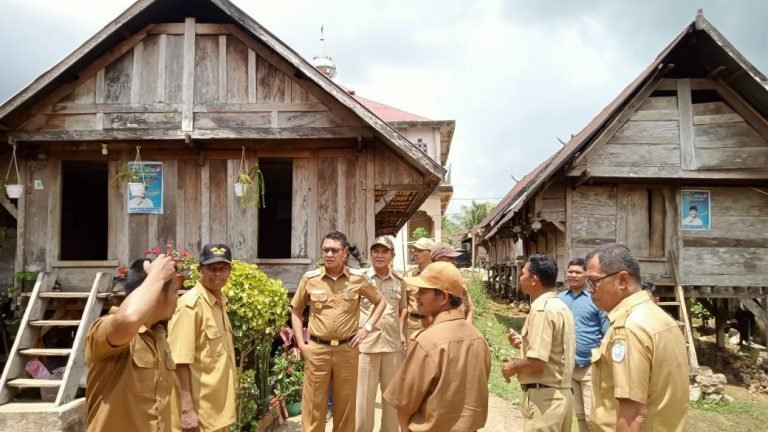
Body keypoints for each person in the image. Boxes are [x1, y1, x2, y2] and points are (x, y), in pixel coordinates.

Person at [290, 230, 387, 432]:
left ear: (345, 254)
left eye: (334, 250)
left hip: (347, 350)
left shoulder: (358, 278)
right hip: (317, 350)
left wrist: (367, 328)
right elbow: (296, 311)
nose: (329, 254)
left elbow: (381, 302)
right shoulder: (310, 279)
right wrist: (301, 343)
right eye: (325, 250)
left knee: (345, 406)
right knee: (313, 406)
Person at [585, 244, 689, 432]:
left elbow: (632, 413)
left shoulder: (628, 328)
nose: (590, 290)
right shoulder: (662, 318)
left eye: (593, 282)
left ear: (622, 280)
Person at [384, 261, 490, 431]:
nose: (416, 296)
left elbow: (404, 404)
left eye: (423, 291)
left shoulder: (427, 341)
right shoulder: (478, 338)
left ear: (443, 297)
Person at [85, 255, 179, 432]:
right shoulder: (109, 328)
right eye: (175, 292)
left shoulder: (158, 335)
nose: (177, 298)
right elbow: (129, 318)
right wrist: (157, 276)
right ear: (157, 295)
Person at [502, 254, 575, 432]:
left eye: (523, 273)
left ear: (534, 279)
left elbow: (537, 362)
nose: (520, 277)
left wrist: (512, 366)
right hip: (563, 395)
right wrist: (524, 343)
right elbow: (555, 350)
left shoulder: (541, 309)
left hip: (545, 400)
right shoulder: (560, 306)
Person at [168, 243, 237, 432]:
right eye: (212, 268)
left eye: (223, 268)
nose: (218, 274)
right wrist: (187, 411)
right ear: (200, 270)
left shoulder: (219, 303)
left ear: (230, 271)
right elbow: (178, 362)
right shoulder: (190, 306)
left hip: (217, 414)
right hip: (198, 417)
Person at [356, 236, 408, 432]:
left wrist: (401, 332)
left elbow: (403, 308)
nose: (380, 255)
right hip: (366, 347)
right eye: (376, 251)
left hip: (392, 347)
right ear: (370, 254)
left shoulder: (399, 281)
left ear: (392, 255)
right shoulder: (360, 279)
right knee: (364, 401)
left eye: (385, 251)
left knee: (392, 400)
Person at [558, 258, 608, 432]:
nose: (573, 275)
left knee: (591, 415)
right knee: (578, 413)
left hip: (590, 366)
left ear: (586, 275)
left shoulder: (595, 299)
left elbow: (607, 331)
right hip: (568, 366)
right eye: (570, 271)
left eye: (578, 272)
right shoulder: (559, 299)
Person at [431, 243, 475, 323]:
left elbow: (470, 308)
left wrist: (467, 327)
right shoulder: (427, 285)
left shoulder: (457, 280)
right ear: (439, 259)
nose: (455, 262)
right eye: (450, 258)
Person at [404, 238, 435, 339]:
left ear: (431, 253)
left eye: (420, 250)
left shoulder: (438, 274)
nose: (415, 253)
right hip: (413, 324)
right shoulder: (409, 275)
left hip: (434, 322)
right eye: (415, 250)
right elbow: (404, 304)